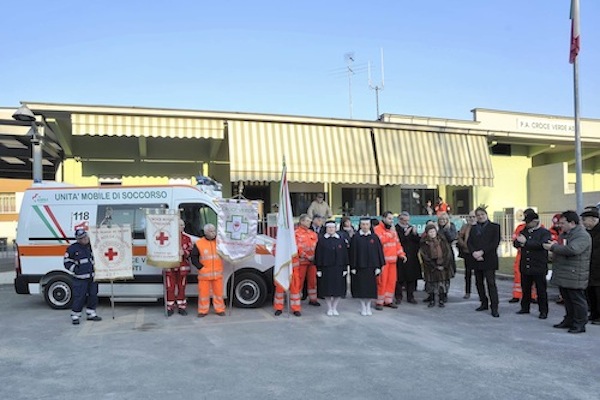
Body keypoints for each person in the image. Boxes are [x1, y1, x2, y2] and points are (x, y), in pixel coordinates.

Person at [543, 211, 591, 333]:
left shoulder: (582, 236)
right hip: (563, 271)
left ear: (572, 223)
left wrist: (553, 247)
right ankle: (569, 319)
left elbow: (573, 250)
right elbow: (561, 249)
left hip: (575, 272)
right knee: (567, 299)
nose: (560, 225)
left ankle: (580, 323)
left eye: (563, 223)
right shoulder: (564, 234)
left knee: (577, 299)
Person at [273, 214, 318, 317]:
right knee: (280, 287)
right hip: (284, 265)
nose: (309, 223)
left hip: (298, 264)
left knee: (297, 286)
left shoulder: (312, 233)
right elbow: (274, 250)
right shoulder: (287, 236)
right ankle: (278, 307)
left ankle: (296, 308)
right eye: (307, 221)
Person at [513, 211, 551, 319]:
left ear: (535, 222)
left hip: (538, 265)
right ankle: (525, 307)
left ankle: (543, 311)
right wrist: (519, 242)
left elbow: (542, 245)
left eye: (528, 222)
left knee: (541, 290)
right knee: (526, 288)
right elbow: (516, 243)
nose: (526, 224)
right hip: (526, 264)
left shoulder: (544, 232)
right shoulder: (524, 231)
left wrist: (526, 243)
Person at [467, 206, 501, 318]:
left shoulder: (495, 227)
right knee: (479, 282)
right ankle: (483, 302)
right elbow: (469, 242)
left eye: (482, 214)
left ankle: (494, 307)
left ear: (486, 215)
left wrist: (482, 252)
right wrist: (474, 253)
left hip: (489, 259)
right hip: (476, 259)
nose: (480, 217)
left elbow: (494, 242)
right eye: (478, 215)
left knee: (491, 283)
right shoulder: (474, 228)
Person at [64, 228, 102, 325]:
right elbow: (66, 262)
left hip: (92, 277)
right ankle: (75, 315)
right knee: (79, 297)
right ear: (77, 239)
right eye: (81, 238)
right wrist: (76, 270)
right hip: (80, 278)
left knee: (93, 295)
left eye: (85, 237)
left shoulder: (93, 246)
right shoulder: (72, 248)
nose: (84, 239)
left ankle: (91, 313)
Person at [349, 218, 385, 316]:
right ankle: (362, 307)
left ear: (370, 225)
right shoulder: (356, 237)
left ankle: (368, 306)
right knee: (361, 288)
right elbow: (352, 253)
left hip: (371, 267)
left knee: (370, 289)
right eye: (363, 224)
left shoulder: (374, 237)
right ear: (360, 225)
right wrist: (353, 266)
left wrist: (379, 266)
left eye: (367, 224)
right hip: (360, 267)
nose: (365, 226)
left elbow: (379, 252)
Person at [315, 221, 349, 316]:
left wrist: (345, 268)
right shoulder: (322, 241)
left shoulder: (341, 240)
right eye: (329, 228)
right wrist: (318, 269)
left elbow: (345, 255)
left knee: (338, 290)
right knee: (327, 290)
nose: (331, 229)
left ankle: (335, 307)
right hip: (326, 268)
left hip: (338, 268)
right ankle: (329, 307)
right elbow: (318, 255)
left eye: (332, 227)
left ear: (336, 228)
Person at [191, 223, 226, 317]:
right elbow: (193, 257)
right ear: (206, 232)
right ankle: (202, 311)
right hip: (204, 274)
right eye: (211, 231)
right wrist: (200, 268)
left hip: (217, 274)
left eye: (214, 231)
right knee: (203, 294)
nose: (213, 233)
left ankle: (220, 309)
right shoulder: (199, 243)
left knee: (218, 293)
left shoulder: (219, 242)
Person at [374, 211, 407, 310]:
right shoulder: (377, 229)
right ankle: (379, 302)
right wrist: (391, 234)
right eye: (389, 219)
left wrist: (401, 254)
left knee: (391, 281)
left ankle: (388, 300)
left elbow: (397, 243)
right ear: (383, 218)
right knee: (381, 281)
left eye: (392, 219)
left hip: (393, 260)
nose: (391, 221)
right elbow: (380, 240)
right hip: (382, 260)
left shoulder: (392, 230)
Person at [419, 225, 454, 308]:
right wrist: (434, 266)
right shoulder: (424, 243)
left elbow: (447, 253)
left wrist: (444, 264)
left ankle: (441, 300)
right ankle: (431, 300)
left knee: (442, 284)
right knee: (431, 284)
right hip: (431, 267)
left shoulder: (442, 240)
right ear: (427, 233)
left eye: (433, 231)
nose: (432, 233)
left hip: (442, 264)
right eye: (430, 232)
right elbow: (424, 256)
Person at [509, 208, 538, 304]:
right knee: (518, 274)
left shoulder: (540, 228)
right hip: (521, 254)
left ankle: (532, 296)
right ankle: (517, 295)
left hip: (533, 255)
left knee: (533, 277)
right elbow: (515, 240)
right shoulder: (520, 228)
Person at [165, 218, 193, 316]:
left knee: (182, 287)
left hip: (182, 267)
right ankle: (170, 307)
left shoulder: (187, 238)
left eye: (183, 225)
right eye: (181, 225)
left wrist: (184, 252)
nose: (183, 226)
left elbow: (190, 251)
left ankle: (181, 307)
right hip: (170, 267)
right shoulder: (168, 237)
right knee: (170, 288)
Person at [395, 211, 422, 304]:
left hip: (411, 257)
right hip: (400, 257)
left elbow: (418, 242)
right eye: (404, 220)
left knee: (411, 278)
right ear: (400, 219)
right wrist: (406, 234)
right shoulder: (396, 229)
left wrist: (414, 234)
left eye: (407, 220)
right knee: (399, 278)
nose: (406, 222)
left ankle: (411, 296)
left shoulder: (411, 228)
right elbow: (399, 241)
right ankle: (398, 297)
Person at [581, 207, 600, 325]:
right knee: (590, 292)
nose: (583, 222)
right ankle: (593, 313)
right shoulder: (587, 232)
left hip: (598, 267)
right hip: (589, 266)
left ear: (593, 219)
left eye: (585, 220)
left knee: (598, 293)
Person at [457, 210, 477, 299]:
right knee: (468, 273)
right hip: (467, 252)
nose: (472, 218)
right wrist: (464, 245)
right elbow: (459, 237)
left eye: (473, 217)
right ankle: (467, 292)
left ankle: (481, 292)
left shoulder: (480, 227)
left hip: (478, 253)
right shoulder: (465, 227)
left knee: (479, 274)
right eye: (470, 217)